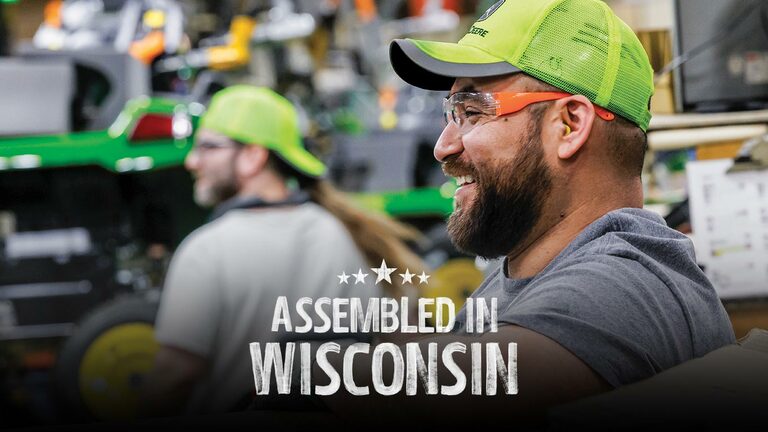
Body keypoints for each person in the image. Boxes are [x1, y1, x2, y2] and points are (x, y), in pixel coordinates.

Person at [318, 0, 735, 424]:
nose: (443, 146)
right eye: (451, 114)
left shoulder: (632, 284)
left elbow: (469, 385)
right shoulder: (529, 274)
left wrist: (322, 365)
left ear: (569, 125)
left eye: (472, 112)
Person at [141, 86, 425, 416]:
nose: (192, 161)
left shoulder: (207, 250)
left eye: (207, 147)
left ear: (253, 156)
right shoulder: (336, 232)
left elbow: (175, 375)